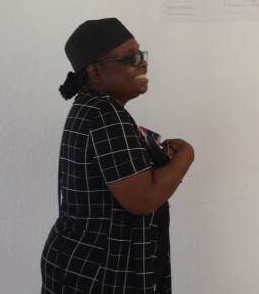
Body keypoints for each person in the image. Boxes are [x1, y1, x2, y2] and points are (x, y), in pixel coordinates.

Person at [41, 18, 194, 293]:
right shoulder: (105, 116)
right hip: (100, 273)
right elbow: (143, 199)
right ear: (96, 72)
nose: (143, 63)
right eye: (130, 58)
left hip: (82, 263)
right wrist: (186, 155)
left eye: (141, 55)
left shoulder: (92, 107)